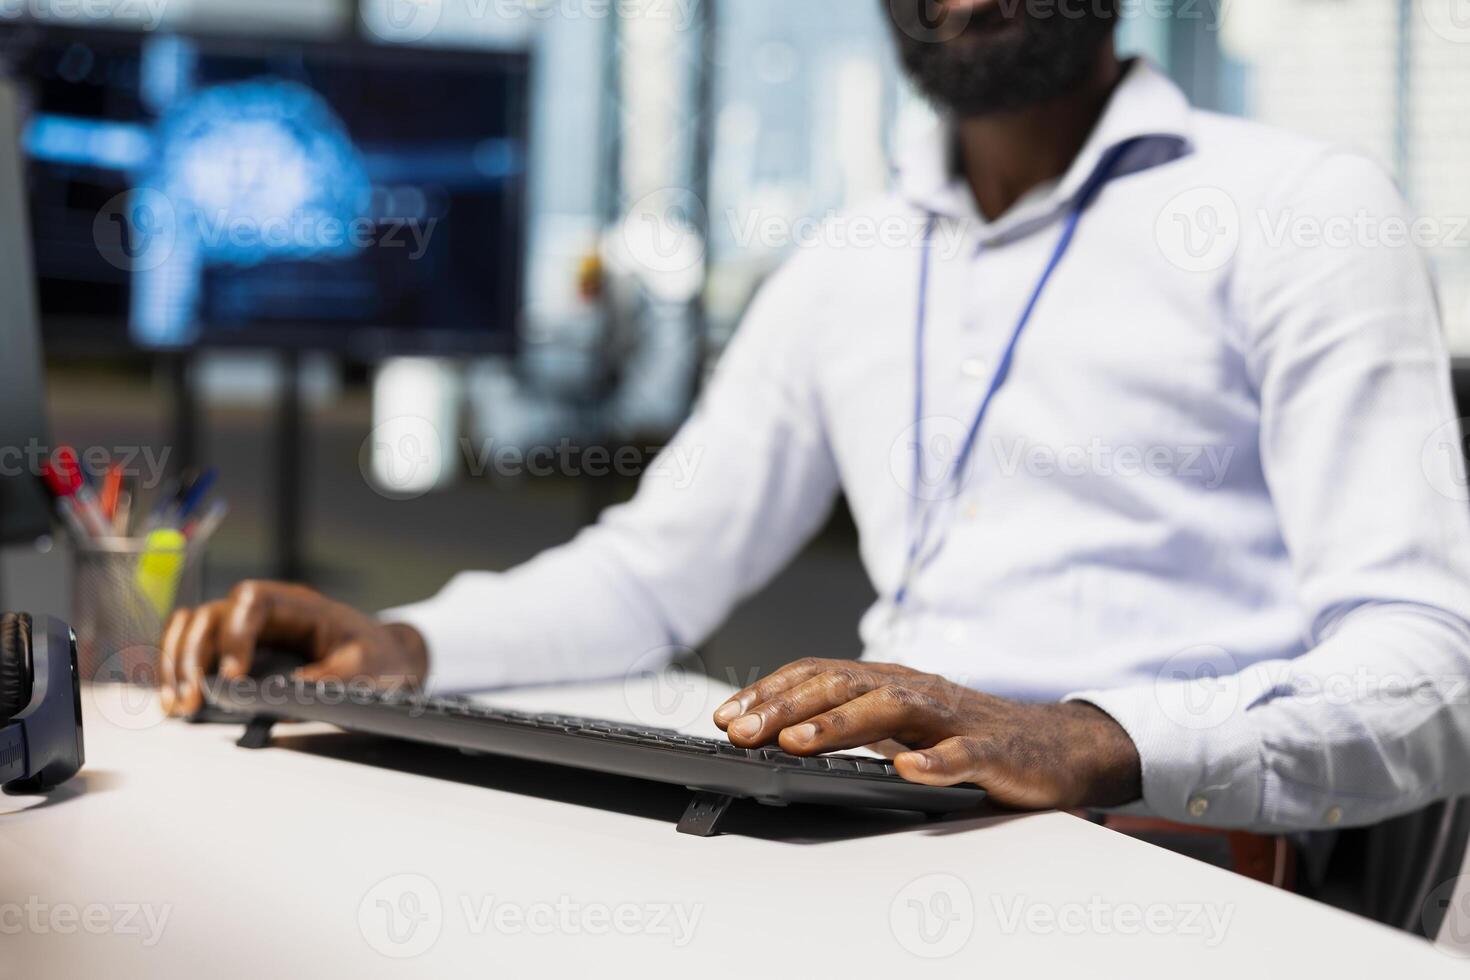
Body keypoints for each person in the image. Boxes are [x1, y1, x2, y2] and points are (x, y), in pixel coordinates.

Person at [158, 0, 1470, 834]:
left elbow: (1429, 669)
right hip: (872, 825)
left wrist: (1086, 737)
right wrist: (404, 644)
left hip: (1171, 845)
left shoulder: (1302, 208)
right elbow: (655, 569)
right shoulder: (850, 254)